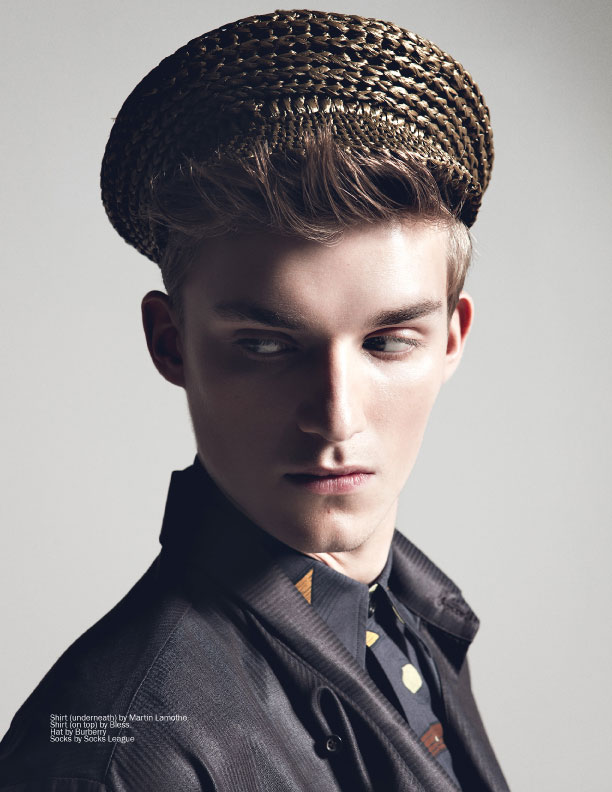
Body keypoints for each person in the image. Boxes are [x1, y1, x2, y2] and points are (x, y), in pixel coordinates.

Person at [0, 9, 509, 791]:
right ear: (170, 343)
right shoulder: (113, 748)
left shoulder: (408, 619)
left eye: (386, 342)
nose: (336, 417)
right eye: (267, 346)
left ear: (451, 338)